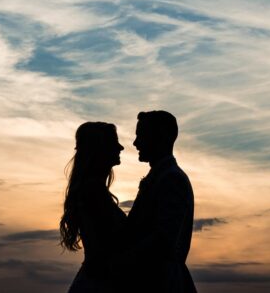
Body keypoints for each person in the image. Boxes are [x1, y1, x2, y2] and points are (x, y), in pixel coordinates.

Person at [123, 110, 197, 293]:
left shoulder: (172, 179)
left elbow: (164, 240)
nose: (135, 143)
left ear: (161, 137)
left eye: (141, 136)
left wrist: (122, 259)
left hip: (162, 283)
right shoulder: (162, 176)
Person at [61, 121, 127, 293]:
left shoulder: (93, 190)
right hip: (98, 284)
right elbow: (105, 248)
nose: (121, 147)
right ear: (100, 148)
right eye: (114, 142)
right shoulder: (92, 192)